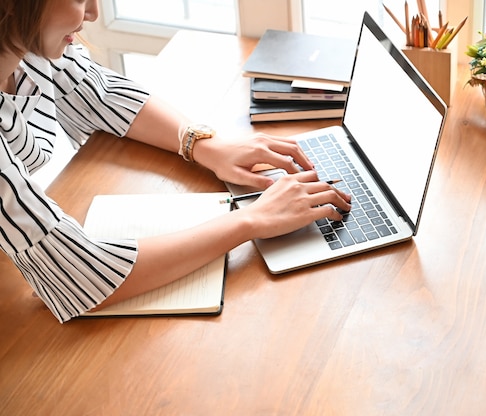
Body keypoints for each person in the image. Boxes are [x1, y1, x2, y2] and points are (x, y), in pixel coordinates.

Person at [0, 0, 351, 323]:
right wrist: (253, 219)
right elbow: (82, 277)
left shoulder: (23, 45)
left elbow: (98, 92)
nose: (92, 12)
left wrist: (200, 144)